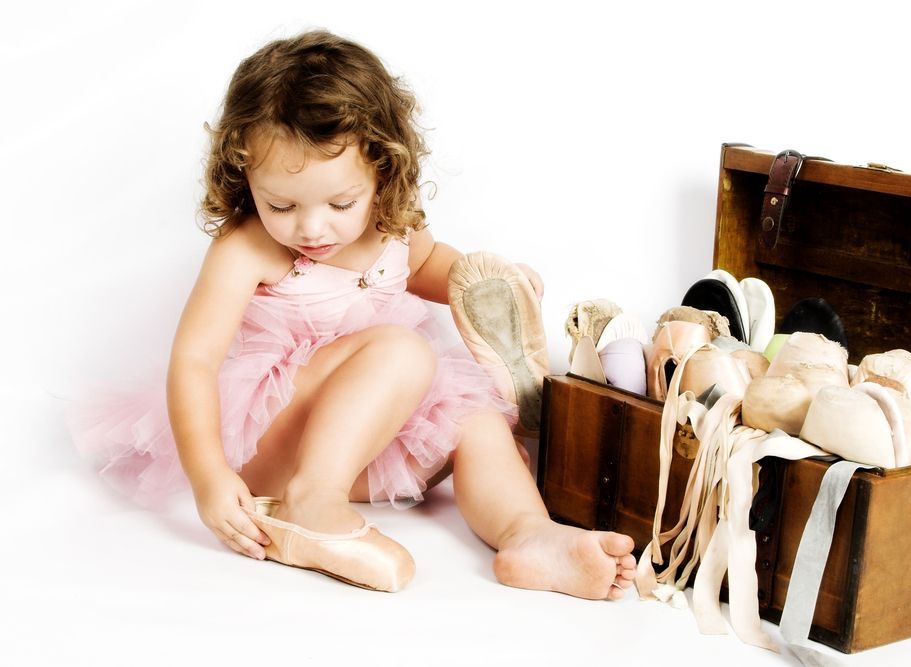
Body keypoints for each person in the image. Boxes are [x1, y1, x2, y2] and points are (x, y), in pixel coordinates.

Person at [71, 29, 636, 597]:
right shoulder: (246, 248)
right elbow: (194, 361)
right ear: (244, 176)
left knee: (478, 423)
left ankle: (528, 538)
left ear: (382, 173)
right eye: (281, 204)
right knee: (403, 349)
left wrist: (483, 281)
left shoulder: (394, 227)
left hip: (363, 437)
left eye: (341, 203)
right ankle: (310, 502)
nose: (312, 227)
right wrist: (209, 477)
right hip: (271, 443)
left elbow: (426, 264)